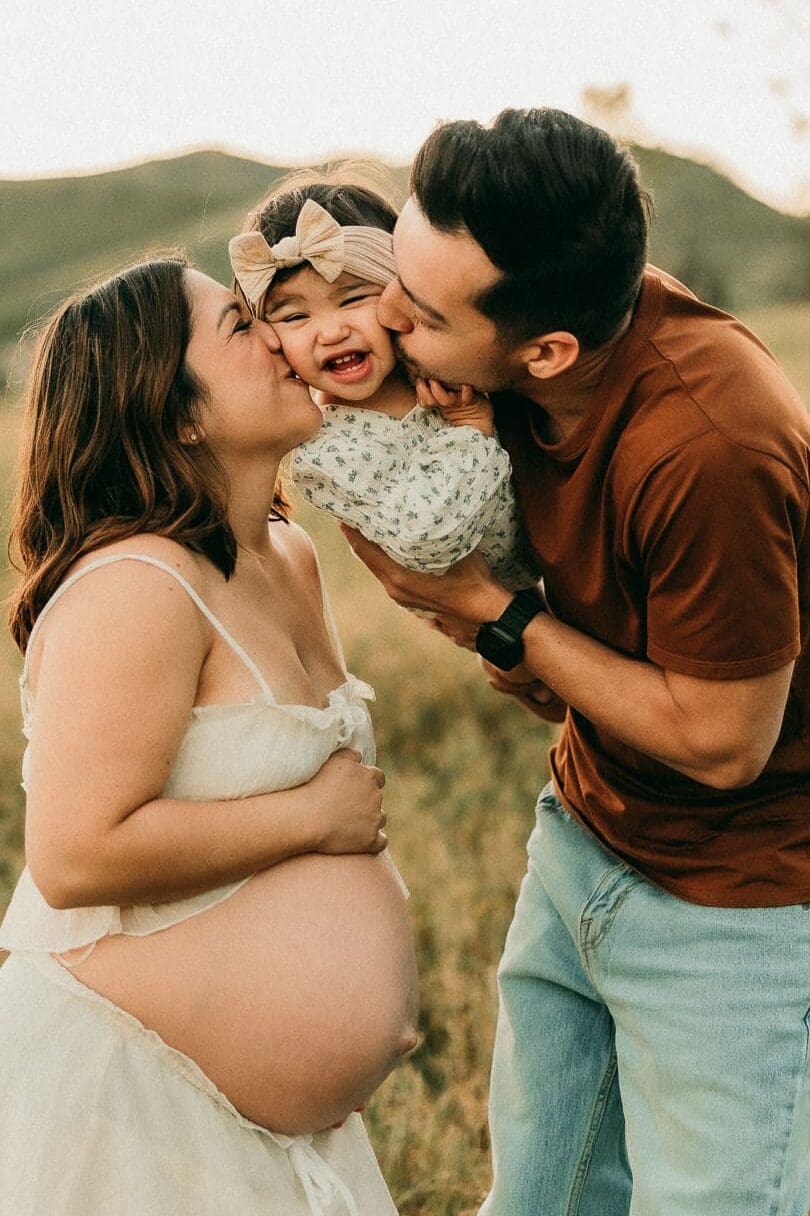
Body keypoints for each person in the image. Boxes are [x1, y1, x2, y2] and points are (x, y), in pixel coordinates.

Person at [343, 108, 810, 1216]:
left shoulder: (710, 447)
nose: (389, 314)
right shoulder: (498, 373)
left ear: (547, 350)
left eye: (424, 311)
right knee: (540, 1199)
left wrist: (495, 614)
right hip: (583, 839)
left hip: (737, 910)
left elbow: (723, 744)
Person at [0, 256, 419, 1216]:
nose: (282, 337)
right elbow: (75, 854)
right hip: (128, 1106)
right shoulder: (136, 584)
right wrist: (313, 817)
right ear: (178, 411)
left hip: (262, 1133)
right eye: (241, 324)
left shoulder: (287, 554)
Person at [228, 170, 538, 592]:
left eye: (353, 299)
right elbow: (426, 537)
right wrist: (470, 428)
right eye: (295, 316)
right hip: (503, 599)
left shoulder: (437, 358)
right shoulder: (326, 451)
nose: (331, 332)